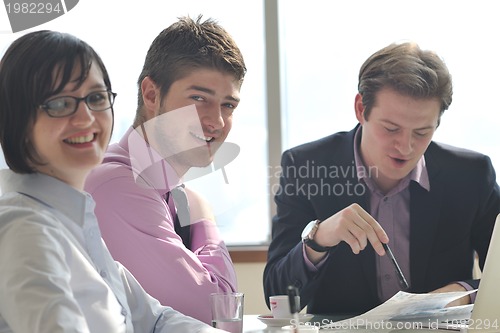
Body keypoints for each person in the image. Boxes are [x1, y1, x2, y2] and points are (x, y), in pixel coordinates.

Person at [0, 30, 226, 333]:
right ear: (15, 117)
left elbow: (155, 319)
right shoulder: (24, 229)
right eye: (59, 103)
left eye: (95, 98)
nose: (86, 118)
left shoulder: (75, 221)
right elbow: (210, 307)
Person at [263, 41, 500, 316]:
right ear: (361, 108)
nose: (405, 146)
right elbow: (277, 299)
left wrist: (462, 293)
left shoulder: (470, 175)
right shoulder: (306, 167)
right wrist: (319, 239)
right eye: (391, 128)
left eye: (422, 132)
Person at [84, 16, 246, 324]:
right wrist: (203, 216)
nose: (217, 122)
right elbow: (215, 313)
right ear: (151, 95)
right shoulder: (118, 185)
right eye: (199, 98)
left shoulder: (171, 192)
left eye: (228, 105)